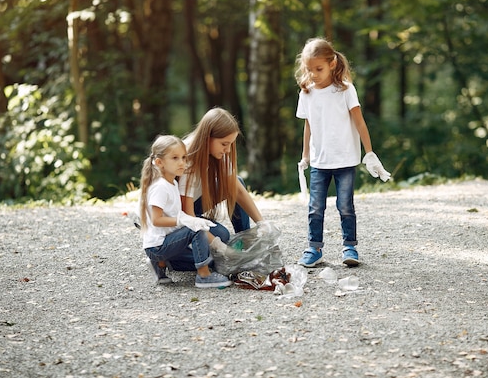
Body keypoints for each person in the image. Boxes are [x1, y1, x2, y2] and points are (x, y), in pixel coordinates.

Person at [294, 37, 391, 268]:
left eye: (319, 69)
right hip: (319, 161)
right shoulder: (306, 93)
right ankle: (314, 248)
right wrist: (305, 156)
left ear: (332, 64)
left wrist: (370, 153)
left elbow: (359, 122)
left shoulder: (346, 90)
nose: (314, 74)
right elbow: (308, 126)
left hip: (345, 160)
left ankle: (350, 247)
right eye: (309, 69)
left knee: (345, 205)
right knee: (315, 207)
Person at [139, 134, 233, 288]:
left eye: (184, 157)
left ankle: (161, 266)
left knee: (202, 238)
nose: (182, 163)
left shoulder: (172, 184)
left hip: (163, 244)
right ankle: (203, 276)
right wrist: (185, 221)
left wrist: (192, 219)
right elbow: (156, 220)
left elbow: (174, 213)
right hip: (157, 247)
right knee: (196, 230)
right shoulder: (160, 186)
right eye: (175, 158)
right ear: (159, 162)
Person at [178, 107, 271, 252]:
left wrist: (262, 223)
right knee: (222, 235)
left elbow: (237, 190)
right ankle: (171, 257)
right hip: (179, 213)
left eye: (230, 144)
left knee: (237, 181)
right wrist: (216, 243)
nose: (228, 150)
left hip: (194, 203)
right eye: (224, 144)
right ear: (207, 138)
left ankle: (244, 239)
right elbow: (187, 213)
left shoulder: (219, 153)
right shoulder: (187, 158)